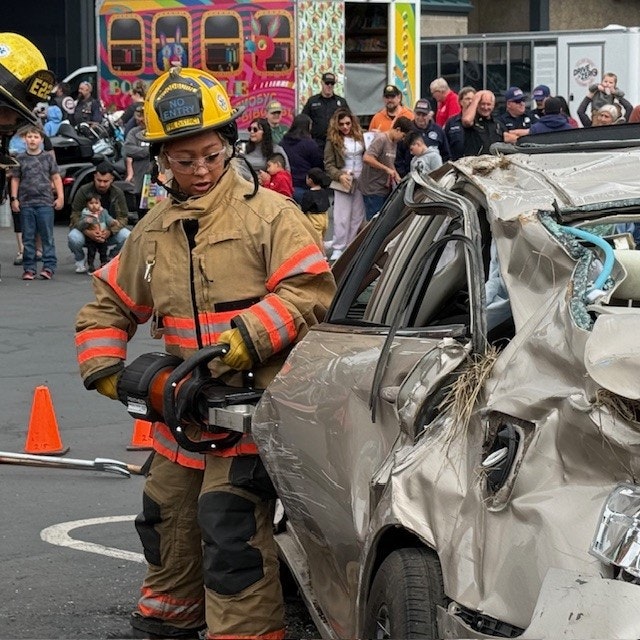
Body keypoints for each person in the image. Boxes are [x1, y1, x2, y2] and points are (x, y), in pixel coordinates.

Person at [74, 65, 336, 640]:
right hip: (179, 416)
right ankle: (171, 618)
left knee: (230, 530)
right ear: (162, 161)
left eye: (211, 156)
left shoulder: (269, 215)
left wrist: (248, 338)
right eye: (183, 160)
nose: (200, 171)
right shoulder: (154, 228)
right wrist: (115, 377)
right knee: (165, 519)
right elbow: (108, 307)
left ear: (230, 146)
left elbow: (310, 289)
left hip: (247, 415)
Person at [9, 125, 63, 280]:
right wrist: (14, 198)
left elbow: (56, 177)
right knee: (28, 237)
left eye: (36, 137)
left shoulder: (48, 157)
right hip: (26, 203)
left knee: (47, 236)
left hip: (45, 202)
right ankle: (29, 268)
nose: (32, 140)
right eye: (30, 137)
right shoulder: (20, 158)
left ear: (41, 140)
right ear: (25, 139)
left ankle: (49, 266)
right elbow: (15, 178)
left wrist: (60, 197)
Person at [68, 161, 131, 273]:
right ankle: (80, 259)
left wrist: (110, 231)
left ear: (112, 179)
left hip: (108, 229)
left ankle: (111, 258)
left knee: (128, 236)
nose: (102, 184)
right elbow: (75, 214)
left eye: (105, 181)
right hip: (87, 229)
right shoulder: (84, 190)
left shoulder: (118, 193)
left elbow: (123, 217)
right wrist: (87, 231)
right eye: (99, 180)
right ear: (94, 177)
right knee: (73, 237)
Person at [323, 108, 367, 261]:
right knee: (341, 215)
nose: (345, 127)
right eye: (341, 124)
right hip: (344, 179)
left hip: (360, 178)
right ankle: (338, 246)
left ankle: (350, 244)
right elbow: (328, 164)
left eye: (348, 123)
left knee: (357, 215)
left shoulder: (360, 135)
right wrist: (339, 175)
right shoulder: (333, 139)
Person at [360, 115, 413, 222]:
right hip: (372, 188)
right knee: (374, 223)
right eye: (402, 136)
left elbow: (389, 162)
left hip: (383, 188)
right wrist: (386, 169)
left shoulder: (394, 143)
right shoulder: (382, 139)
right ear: (397, 129)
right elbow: (367, 158)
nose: (402, 139)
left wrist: (395, 174)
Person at [395, 98, 449, 177]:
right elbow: (398, 156)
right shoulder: (407, 129)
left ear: (430, 115)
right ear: (414, 113)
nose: (420, 117)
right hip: (410, 176)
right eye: (418, 114)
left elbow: (446, 155)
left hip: (434, 179)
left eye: (424, 115)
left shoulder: (438, 130)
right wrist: (404, 176)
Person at [279, 113, 323, 203]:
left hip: (285, 186)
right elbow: (318, 165)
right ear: (308, 127)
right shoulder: (310, 144)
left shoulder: (283, 142)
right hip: (304, 186)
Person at [301, 71, 349, 152]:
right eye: (327, 83)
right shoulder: (312, 101)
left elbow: (349, 120)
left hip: (336, 142)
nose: (329, 86)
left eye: (332, 83)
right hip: (316, 143)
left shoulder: (341, 102)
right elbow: (303, 120)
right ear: (322, 83)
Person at [123, 104, 152, 219]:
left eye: (143, 116)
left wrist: (141, 151)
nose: (140, 119)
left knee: (153, 211)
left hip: (155, 181)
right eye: (138, 116)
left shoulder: (156, 132)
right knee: (142, 213)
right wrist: (149, 151)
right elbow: (128, 149)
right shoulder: (133, 133)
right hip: (140, 179)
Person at [78, 193, 119, 272]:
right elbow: (80, 225)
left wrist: (113, 222)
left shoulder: (103, 212)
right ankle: (91, 265)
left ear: (100, 203)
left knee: (103, 250)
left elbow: (108, 219)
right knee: (91, 252)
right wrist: (85, 221)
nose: (94, 206)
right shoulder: (85, 214)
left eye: (96, 203)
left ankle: (104, 263)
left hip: (102, 236)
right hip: (91, 238)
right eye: (91, 203)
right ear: (87, 205)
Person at [239, 117, 289, 181]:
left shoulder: (276, 149)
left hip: (268, 186)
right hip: (245, 184)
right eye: (249, 129)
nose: (251, 132)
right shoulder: (243, 148)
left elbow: (286, 171)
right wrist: (251, 178)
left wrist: (269, 179)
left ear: (265, 132)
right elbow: (237, 167)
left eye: (255, 129)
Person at [461, 90, 503, 156]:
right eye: (482, 104)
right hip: (474, 163)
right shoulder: (473, 121)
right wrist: (476, 98)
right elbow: (467, 121)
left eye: (488, 104)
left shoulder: (497, 124)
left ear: (493, 105)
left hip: (493, 162)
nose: (485, 107)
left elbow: (509, 138)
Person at [444, 86, 476, 161]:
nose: (471, 101)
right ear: (460, 102)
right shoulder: (451, 122)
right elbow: (445, 144)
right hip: (456, 163)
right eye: (467, 99)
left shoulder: (480, 121)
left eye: (473, 99)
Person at [300, 167, 330, 244]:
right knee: (321, 238)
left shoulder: (308, 194)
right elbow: (327, 204)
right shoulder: (324, 192)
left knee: (315, 239)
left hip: (314, 219)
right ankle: (322, 251)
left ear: (310, 180)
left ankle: (321, 254)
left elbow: (304, 208)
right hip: (324, 217)